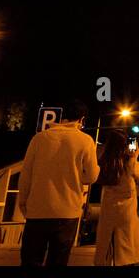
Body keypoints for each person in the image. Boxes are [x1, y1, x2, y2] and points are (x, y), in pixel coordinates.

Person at [19, 106, 99, 267]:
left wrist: (23, 202)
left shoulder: (39, 138)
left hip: (37, 210)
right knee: (58, 260)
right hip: (67, 212)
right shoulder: (85, 141)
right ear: (81, 120)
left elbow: (26, 174)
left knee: (31, 260)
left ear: (62, 117)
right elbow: (91, 176)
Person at [93, 130, 139, 266]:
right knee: (126, 251)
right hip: (126, 213)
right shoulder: (129, 162)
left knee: (107, 248)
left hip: (108, 210)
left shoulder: (104, 161)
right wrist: (135, 156)